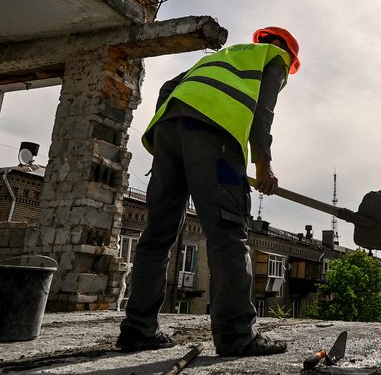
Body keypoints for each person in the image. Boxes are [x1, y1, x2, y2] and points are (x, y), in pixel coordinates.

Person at [116, 27, 300, 355]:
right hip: (216, 137)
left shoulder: (222, 58)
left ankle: (137, 328)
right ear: (288, 52)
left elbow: (168, 87)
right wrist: (263, 163)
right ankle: (236, 334)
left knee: (156, 235)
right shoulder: (275, 58)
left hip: (169, 131)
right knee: (228, 234)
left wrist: (171, 139)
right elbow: (262, 112)